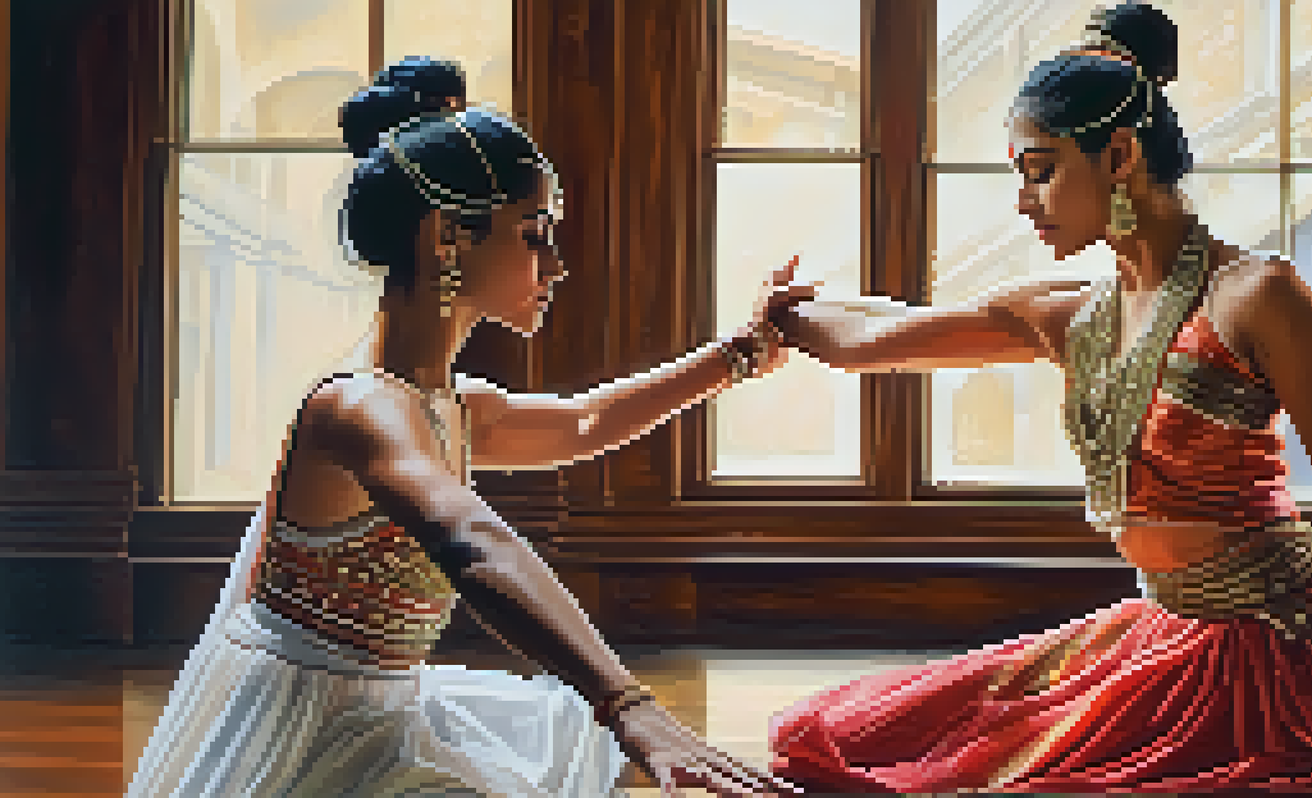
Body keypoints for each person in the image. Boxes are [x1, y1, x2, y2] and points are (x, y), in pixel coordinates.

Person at [765, 3, 1312, 793]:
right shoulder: (1072, 315)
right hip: (1167, 628)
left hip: (1281, 646)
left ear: (1121, 154)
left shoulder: (1259, 298)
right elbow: (877, 337)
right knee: (885, 742)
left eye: (1041, 170)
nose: (1025, 201)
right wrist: (778, 316)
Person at [126, 58, 805, 798]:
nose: (556, 264)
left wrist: (741, 353)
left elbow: (585, 421)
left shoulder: (446, 405)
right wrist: (629, 708)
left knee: (560, 740)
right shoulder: (361, 410)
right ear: (448, 235)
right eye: (534, 233)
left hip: (386, 708)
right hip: (309, 737)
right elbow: (473, 544)